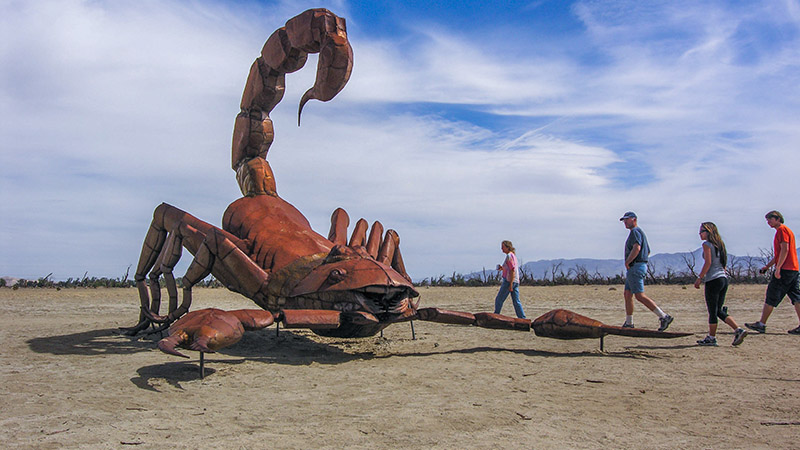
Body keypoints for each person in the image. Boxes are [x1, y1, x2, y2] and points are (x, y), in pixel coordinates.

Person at [745, 211, 800, 335]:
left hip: (786, 269)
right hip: (793, 269)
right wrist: (767, 266)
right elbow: (779, 253)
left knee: (772, 294)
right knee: (796, 297)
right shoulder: (786, 231)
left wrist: (778, 268)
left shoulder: (782, 230)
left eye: (770, 219)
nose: (768, 222)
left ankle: (761, 324)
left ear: (778, 218)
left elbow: (785, 250)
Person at [693, 222, 747, 346]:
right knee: (718, 310)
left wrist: (700, 278)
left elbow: (708, 263)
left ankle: (711, 337)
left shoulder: (706, 245)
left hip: (713, 279)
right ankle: (738, 330)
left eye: (702, 231)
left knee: (712, 311)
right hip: (723, 279)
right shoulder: (720, 245)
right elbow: (723, 263)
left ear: (709, 232)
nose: (699, 234)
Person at [619, 211, 673, 331]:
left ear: (634, 219)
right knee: (627, 294)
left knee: (639, 295)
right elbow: (647, 251)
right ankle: (629, 322)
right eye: (624, 220)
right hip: (636, 266)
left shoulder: (635, 232)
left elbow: (637, 248)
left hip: (636, 266)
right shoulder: (639, 233)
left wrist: (628, 261)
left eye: (627, 220)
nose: (625, 222)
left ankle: (663, 316)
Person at [493, 240, 526, 319]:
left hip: (509, 281)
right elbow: (509, 269)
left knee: (499, 300)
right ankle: (522, 318)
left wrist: (510, 284)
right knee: (516, 301)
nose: (501, 249)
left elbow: (512, 270)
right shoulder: (513, 256)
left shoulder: (509, 256)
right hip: (515, 280)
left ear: (507, 247)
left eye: (503, 247)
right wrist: (502, 268)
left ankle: (496, 316)